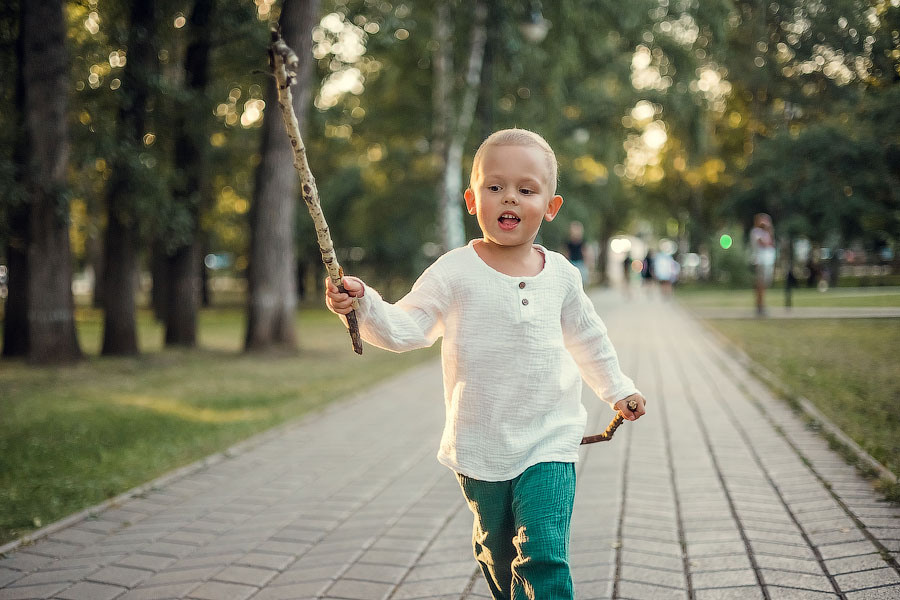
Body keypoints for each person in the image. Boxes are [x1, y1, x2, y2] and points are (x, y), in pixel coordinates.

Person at [325, 129, 646, 599]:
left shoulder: (561, 275)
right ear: (473, 200)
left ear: (550, 207)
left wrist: (618, 389)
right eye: (495, 187)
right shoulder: (454, 271)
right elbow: (406, 327)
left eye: (525, 188)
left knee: (543, 552)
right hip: (482, 444)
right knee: (498, 552)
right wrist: (362, 304)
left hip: (550, 440)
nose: (509, 197)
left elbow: (588, 338)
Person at [750, 213, 775, 315]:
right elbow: (764, 244)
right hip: (760, 261)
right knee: (760, 285)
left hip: (767, 261)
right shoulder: (756, 232)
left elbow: (771, 243)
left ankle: (761, 306)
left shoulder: (767, 232)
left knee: (764, 285)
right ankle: (760, 307)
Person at [564, 220, 589, 285]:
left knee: (581, 281)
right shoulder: (568, 243)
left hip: (580, 263)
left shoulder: (582, 242)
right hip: (572, 262)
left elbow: (585, 253)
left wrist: (587, 263)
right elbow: (567, 254)